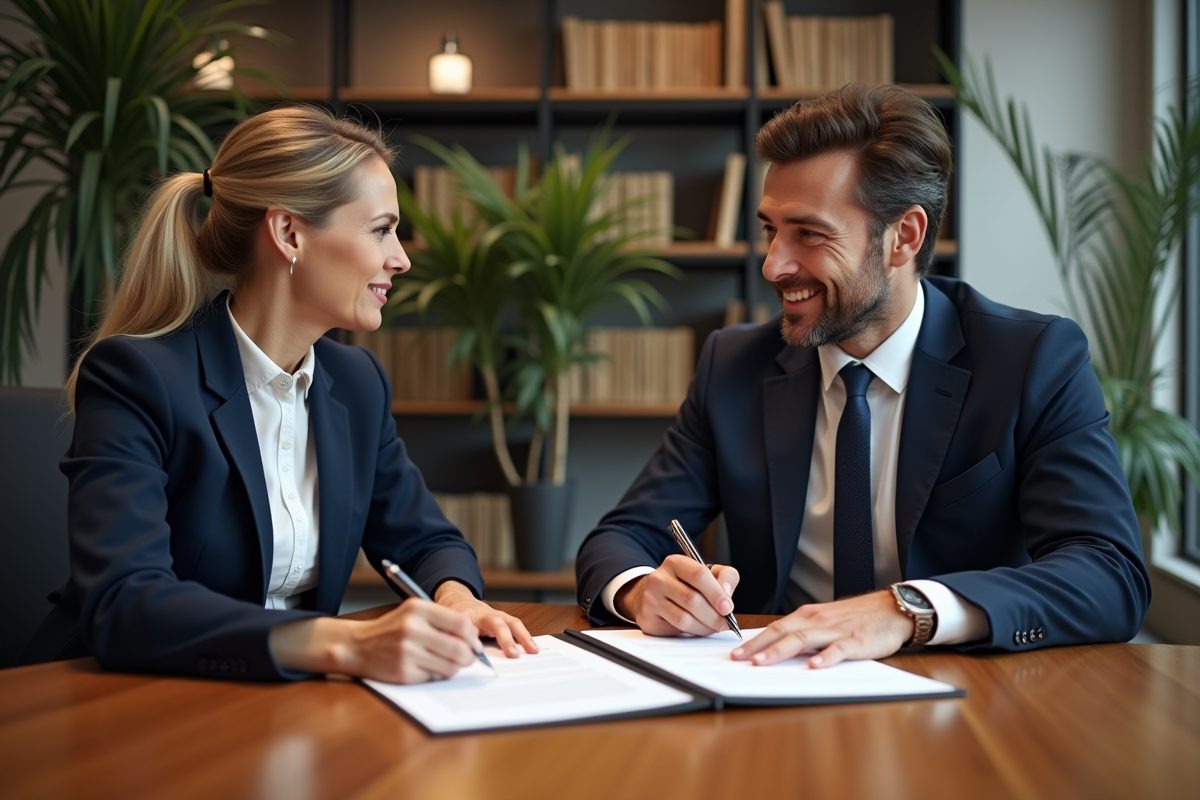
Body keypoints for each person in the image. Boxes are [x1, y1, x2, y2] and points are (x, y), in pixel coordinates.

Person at [575, 84, 1150, 668]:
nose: (774, 264)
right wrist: (644, 589)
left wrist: (907, 610)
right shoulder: (734, 364)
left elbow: (1108, 573)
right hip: (770, 689)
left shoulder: (1031, 359)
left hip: (962, 701)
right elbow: (621, 538)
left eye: (810, 234)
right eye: (771, 230)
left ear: (904, 237)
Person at [20, 106, 537, 682]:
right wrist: (344, 643)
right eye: (381, 229)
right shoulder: (135, 377)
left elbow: (424, 537)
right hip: (118, 702)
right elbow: (126, 604)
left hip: (271, 704)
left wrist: (456, 598)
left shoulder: (358, 384)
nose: (402, 258)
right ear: (289, 233)